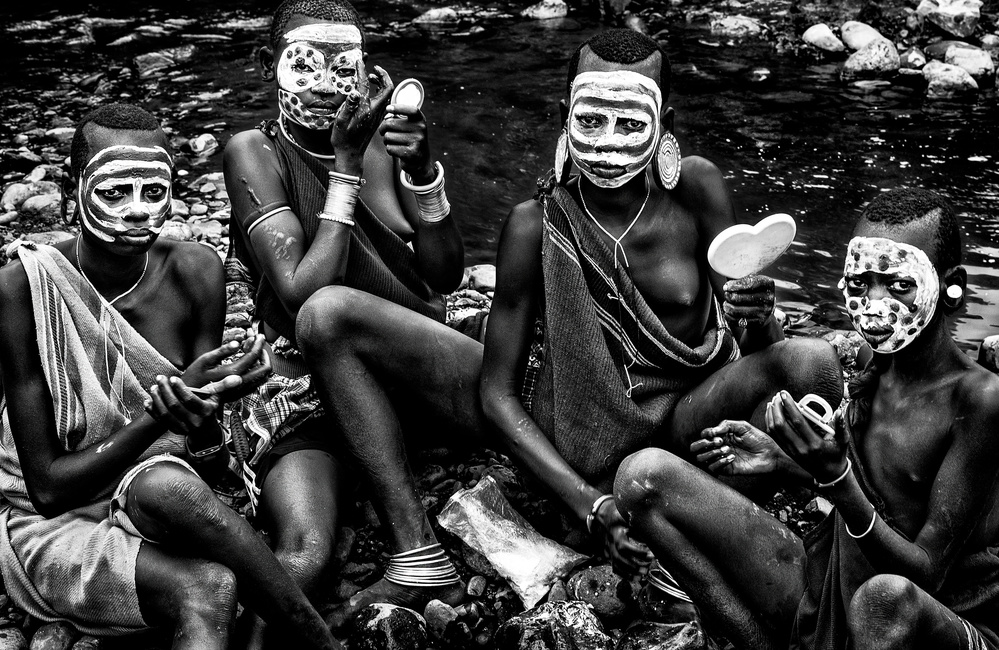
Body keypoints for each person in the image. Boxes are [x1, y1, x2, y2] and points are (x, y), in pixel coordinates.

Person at [479, 27, 844, 580]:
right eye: (590, 119)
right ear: (563, 116)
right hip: (598, 451)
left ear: (665, 126)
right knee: (643, 481)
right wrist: (588, 504)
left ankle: (813, 495)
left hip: (694, 416)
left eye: (629, 123)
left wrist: (759, 315)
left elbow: (756, 350)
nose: (606, 142)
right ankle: (673, 511)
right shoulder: (535, 226)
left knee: (815, 362)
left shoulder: (695, 189)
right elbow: (498, 394)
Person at [0, 103, 342, 650]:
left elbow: (202, 456)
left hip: (164, 494)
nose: (137, 211)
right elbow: (45, 489)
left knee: (166, 483)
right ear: (73, 186)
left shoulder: (194, 269)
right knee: (211, 587)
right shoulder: (23, 289)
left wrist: (212, 400)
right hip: (58, 522)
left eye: (153, 191)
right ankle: (316, 638)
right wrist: (157, 415)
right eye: (115, 192)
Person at [615, 188, 999, 649]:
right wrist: (784, 462)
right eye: (860, 283)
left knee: (883, 600)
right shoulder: (869, 367)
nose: (875, 303)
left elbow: (927, 575)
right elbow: (879, 487)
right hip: (830, 598)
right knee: (643, 476)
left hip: (924, 622)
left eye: (898, 285)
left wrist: (835, 477)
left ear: (952, 289)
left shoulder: (979, 400)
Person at [223, 0, 483, 627]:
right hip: (311, 391)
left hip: (413, 368)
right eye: (306, 64)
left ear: (368, 71)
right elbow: (297, 293)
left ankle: (417, 554)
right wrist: (343, 167)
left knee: (334, 315)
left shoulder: (385, 144)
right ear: (268, 65)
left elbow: (445, 275)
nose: (324, 84)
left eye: (345, 66)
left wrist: (423, 172)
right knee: (304, 554)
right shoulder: (253, 152)